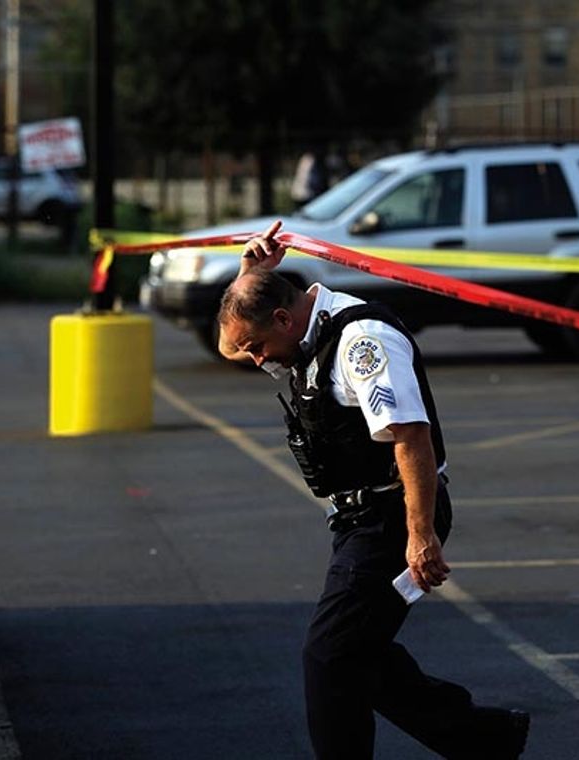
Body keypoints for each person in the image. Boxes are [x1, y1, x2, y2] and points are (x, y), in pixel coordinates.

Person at [217, 221, 530, 759]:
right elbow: (228, 344)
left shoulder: (362, 344)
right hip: (358, 518)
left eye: (259, 347)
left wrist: (420, 536)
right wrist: (249, 276)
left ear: (285, 319)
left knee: (329, 656)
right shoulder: (294, 332)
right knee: (360, 652)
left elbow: (411, 438)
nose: (255, 360)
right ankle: (485, 738)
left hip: (394, 515)